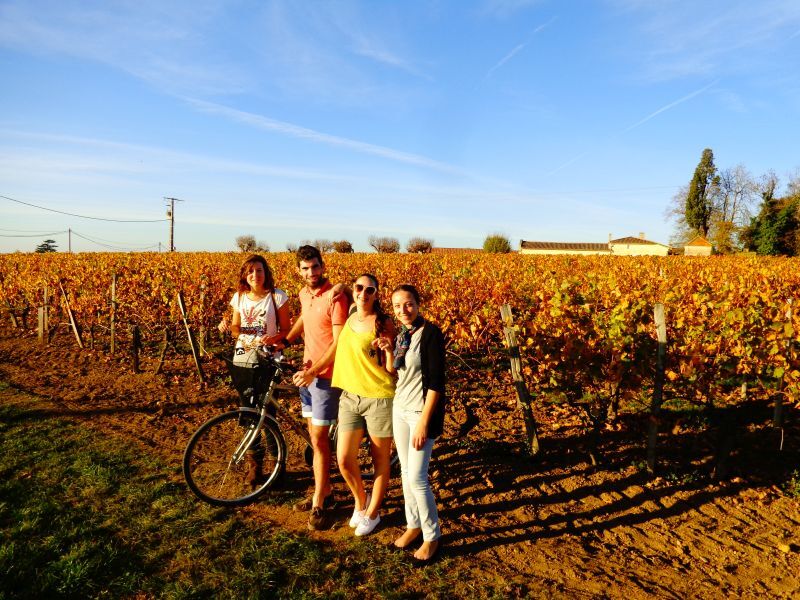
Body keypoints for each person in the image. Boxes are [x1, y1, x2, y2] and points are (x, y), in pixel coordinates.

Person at [276, 245, 349, 530]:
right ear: (299, 270)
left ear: (323, 266)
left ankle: (320, 500)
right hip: (307, 374)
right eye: (305, 268)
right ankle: (326, 489)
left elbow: (338, 342)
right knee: (314, 439)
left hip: (324, 377)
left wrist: (314, 371)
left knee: (319, 442)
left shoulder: (336, 297)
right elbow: (304, 319)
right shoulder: (305, 294)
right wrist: (285, 341)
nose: (311, 273)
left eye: (315, 267)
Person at [331, 274, 396, 536]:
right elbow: (346, 292)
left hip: (379, 397)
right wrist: (341, 287)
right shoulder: (349, 315)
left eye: (370, 290)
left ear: (377, 294)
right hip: (349, 397)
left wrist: (388, 347)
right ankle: (361, 501)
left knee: (380, 461)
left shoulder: (384, 323)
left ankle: (373, 513)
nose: (363, 293)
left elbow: (390, 367)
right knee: (344, 459)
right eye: (359, 288)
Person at [389, 284, 446, 562]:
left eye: (408, 304)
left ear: (418, 304)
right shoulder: (402, 336)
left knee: (417, 477)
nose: (403, 310)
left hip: (420, 414)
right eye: (398, 306)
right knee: (404, 472)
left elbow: (436, 383)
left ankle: (431, 536)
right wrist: (388, 350)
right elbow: (396, 372)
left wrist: (424, 422)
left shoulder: (431, 334)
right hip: (399, 409)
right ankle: (413, 525)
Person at [226, 254, 291, 489]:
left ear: (266, 272)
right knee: (248, 413)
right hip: (243, 358)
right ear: (245, 274)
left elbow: (287, 329)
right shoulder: (240, 297)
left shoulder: (277, 296)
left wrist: (272, 338)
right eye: (251, 271)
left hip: (268, 360)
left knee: (269, 413)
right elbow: (236, 326)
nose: (255, 275)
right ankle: (255, 465)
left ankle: (277, 464)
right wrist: (239, 332)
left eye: (259, 270)